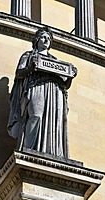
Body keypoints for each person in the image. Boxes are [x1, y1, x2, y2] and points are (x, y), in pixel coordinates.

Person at [7, 26, 76, 158]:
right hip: (36, 86)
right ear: (37, 39)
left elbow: (65, 84)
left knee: (55, 121)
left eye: (49, 38)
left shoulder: (55, 61)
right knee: (36, 116)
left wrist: (71, 77)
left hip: (55, 92)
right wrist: (30, 68)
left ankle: (53, 152)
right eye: (44, 37)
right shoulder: (28, 56)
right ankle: (29, 149)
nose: (46, 40)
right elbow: (19, 73)